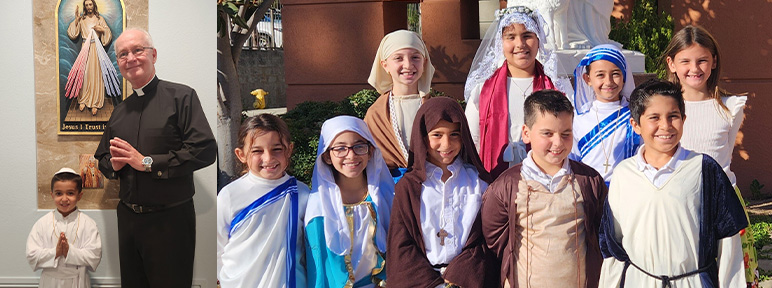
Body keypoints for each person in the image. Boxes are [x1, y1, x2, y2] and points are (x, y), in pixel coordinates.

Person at [93, 28, 217, 287]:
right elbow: (103, 159)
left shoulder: (182, 97)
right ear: (119, 63)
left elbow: (204, 150)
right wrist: (113, 165)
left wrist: (147, 163)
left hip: (170, 222)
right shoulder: (119, 112)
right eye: (123, 54)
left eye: (138, 50)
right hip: (128, 220)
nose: (131, 58)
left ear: (153, 55)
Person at [598, 79, 747, 287]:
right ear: (636, 125)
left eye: (673, 116)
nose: (665, 126)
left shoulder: (704, 170)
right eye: (654, 118)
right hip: (639, 281)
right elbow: (613, 246)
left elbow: (729, 243)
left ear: (684, 119)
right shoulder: (624, 174)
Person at [662, 25, 758, 287]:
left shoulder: (730, 107)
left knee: (727, 272)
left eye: (702, 60)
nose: (695, 68)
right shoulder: (663, 109)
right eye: (686, 61)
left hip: (723, 202)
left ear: (714, 61)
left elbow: (725, 155)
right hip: (677, 199)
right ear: (671, 63)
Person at [481, 90, 607, 288]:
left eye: (566, 134)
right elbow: (495, 237)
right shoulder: (507, 186)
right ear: (526, 133)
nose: (557, 143)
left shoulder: (588, 181)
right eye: (547, 134)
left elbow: (598, 229)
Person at [387, 97, 493, 288]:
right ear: (422, 137)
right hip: (421, 282)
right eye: (437, 135)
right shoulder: (408, 188)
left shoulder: (478, 182)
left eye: (454, 134)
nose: (446, 144)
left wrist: (462, 275)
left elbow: (485, 240)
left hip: (469, 280)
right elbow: (401, 245)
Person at [465, 6, 568, 179]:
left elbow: (569, 134)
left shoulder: (556, 87)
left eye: (527, 35)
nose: (520, 44)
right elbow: (472, 141)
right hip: (495, 179)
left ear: (539, 39)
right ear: (500, 42)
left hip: (545, 179)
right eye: (510, 37)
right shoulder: (483, 89)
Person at [217, 114, 310, 288]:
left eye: (276, 149)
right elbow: (216, 248)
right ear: (241, 154)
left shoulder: (303, 193)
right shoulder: (229, 195)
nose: (268, 158)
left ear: (289, 150)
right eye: (257, 151)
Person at [305, 116, 394, 288]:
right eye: (340, 148)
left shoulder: (385, 196)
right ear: (327, 156)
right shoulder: (319, 207)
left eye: (359, 146)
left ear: (371, 151)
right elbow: (318, 269)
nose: (351, 155)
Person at [364, 29, 436, 183]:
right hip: (390, 189)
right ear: (385, 65)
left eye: (415, 57)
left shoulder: (436, 108)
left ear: (424, 62)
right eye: (398, 58)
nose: (408, 65)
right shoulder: (376, 114)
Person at [570, 44, 640, 185]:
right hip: (588, 192)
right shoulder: (579, 117)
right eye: (600, 75)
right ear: (587, 79)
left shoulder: (635, 115)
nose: (608, 82)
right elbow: (572, 158)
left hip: (626, 190)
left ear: (624, 76)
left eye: (615, 74)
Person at [27, 168, 102, 288]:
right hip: (49, 282)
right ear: (52, 195)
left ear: (79, 196)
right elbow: (32, 256)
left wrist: (69, 252)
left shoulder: (88, 224)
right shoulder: (42, 224)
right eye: (58, 193)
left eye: (70, 193)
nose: (64, 199)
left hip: (78, 281)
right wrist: (55, 253)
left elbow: (94, 256)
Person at [65, 0, 120, 116]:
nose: (89, 7)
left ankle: (95, 102)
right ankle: (83, 99)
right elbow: (73, 34)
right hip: (85, 47)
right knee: (84, 74)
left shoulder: (100, 19)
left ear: (94, 6)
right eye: (86, 5)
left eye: (90, 4)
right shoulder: (82, 20)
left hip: (96, 48)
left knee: (96, 74)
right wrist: (76, 19)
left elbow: (107, 34)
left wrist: (102, 30)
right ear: (84, 7)